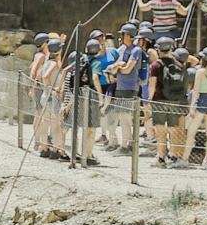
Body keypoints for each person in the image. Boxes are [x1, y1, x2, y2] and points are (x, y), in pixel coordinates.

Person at [65, 38, 106, 165]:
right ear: (98, 51)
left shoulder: (81, 60)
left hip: (79, 96)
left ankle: (77, 153)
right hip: (91, 97)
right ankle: (87, 155)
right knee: (91, 128)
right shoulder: (96, 62)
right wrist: (100, 96)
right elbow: (94, 77)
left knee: (79, 127)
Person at [149, 40, 189, 167]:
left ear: (159, 50)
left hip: (159, 100)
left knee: (160, 128)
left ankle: (161, 156)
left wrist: (148, 101)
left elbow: (152, 85)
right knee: (174, 129)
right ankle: (173, 155)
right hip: (174, 101)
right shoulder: (178, 64)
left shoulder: (156, 65)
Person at [107, 23, 145, 153]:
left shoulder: (136, 50)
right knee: (123, 118)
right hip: (121, 87)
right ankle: (125, 144)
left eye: (122, 34)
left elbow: (128, 69)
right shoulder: (124, 50)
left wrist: (118, 68)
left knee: (126, 118)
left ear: (128, 36)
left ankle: (126, 145)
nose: (121, 37)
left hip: (129, 88)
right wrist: (118, 67)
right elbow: (112, 68)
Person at [38, 38, 68, 159]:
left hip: (45, 96)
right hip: (53, 97)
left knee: (45, 123)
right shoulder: (54, 64)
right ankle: (55, 150)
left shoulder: (46, 63)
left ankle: (44, 148)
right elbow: (45, 77)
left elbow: (40, 76)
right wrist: (52, 88)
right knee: (56, 125)